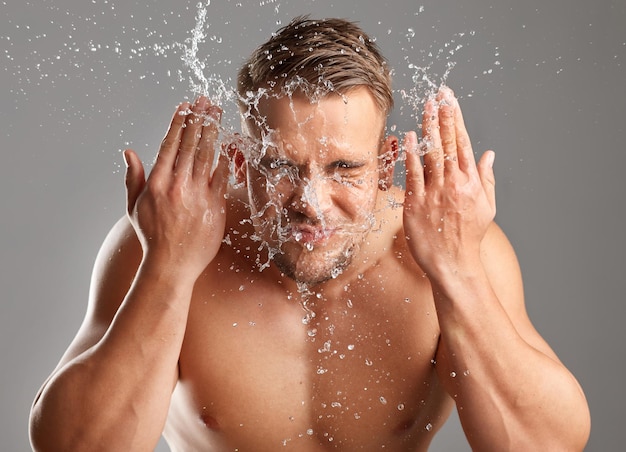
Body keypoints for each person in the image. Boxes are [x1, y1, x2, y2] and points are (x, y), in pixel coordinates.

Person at [29, 16, 590, 451]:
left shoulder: (451, 251)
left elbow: (546, 445)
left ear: (387, 162)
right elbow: (73, 445)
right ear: (242, 163)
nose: (310, 203)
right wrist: (168, 268)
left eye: (344, 168)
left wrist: (457, 269)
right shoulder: (171, 242)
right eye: (279, 167)